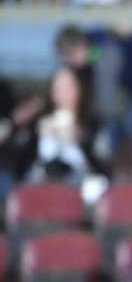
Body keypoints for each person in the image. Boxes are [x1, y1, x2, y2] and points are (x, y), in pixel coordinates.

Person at [55, 23, 132, 143]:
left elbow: (106, 95)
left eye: (71, 57)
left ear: (80, 47)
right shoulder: (94, 43)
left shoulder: (101, 51)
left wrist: (89, 127)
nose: (72, 63)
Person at [29, 67, 107, 199]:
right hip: (46, 180)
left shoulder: (93, 124)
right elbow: (26, 163)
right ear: (52, 92)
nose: (65, 93)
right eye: (59, 88)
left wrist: (79, 137)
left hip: (82, 183)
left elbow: (102, 164)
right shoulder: (40, 122)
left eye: (69, 87)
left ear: (79, 89)